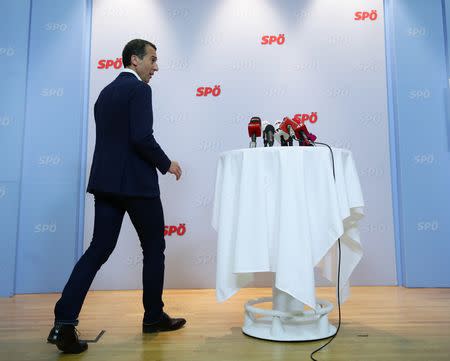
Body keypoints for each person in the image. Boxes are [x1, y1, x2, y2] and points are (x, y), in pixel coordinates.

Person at [47, 39, 186, 354]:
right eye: (152, 59)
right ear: (134, 60)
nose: (156, 66)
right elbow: (140, 137)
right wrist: (167, 164)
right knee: (154, 249)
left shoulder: (105, 93)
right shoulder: (140, 90)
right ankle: (153, 318)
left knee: (97, 250)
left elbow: (117, 141)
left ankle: (64, 322)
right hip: (136, 185)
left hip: (106, 184)